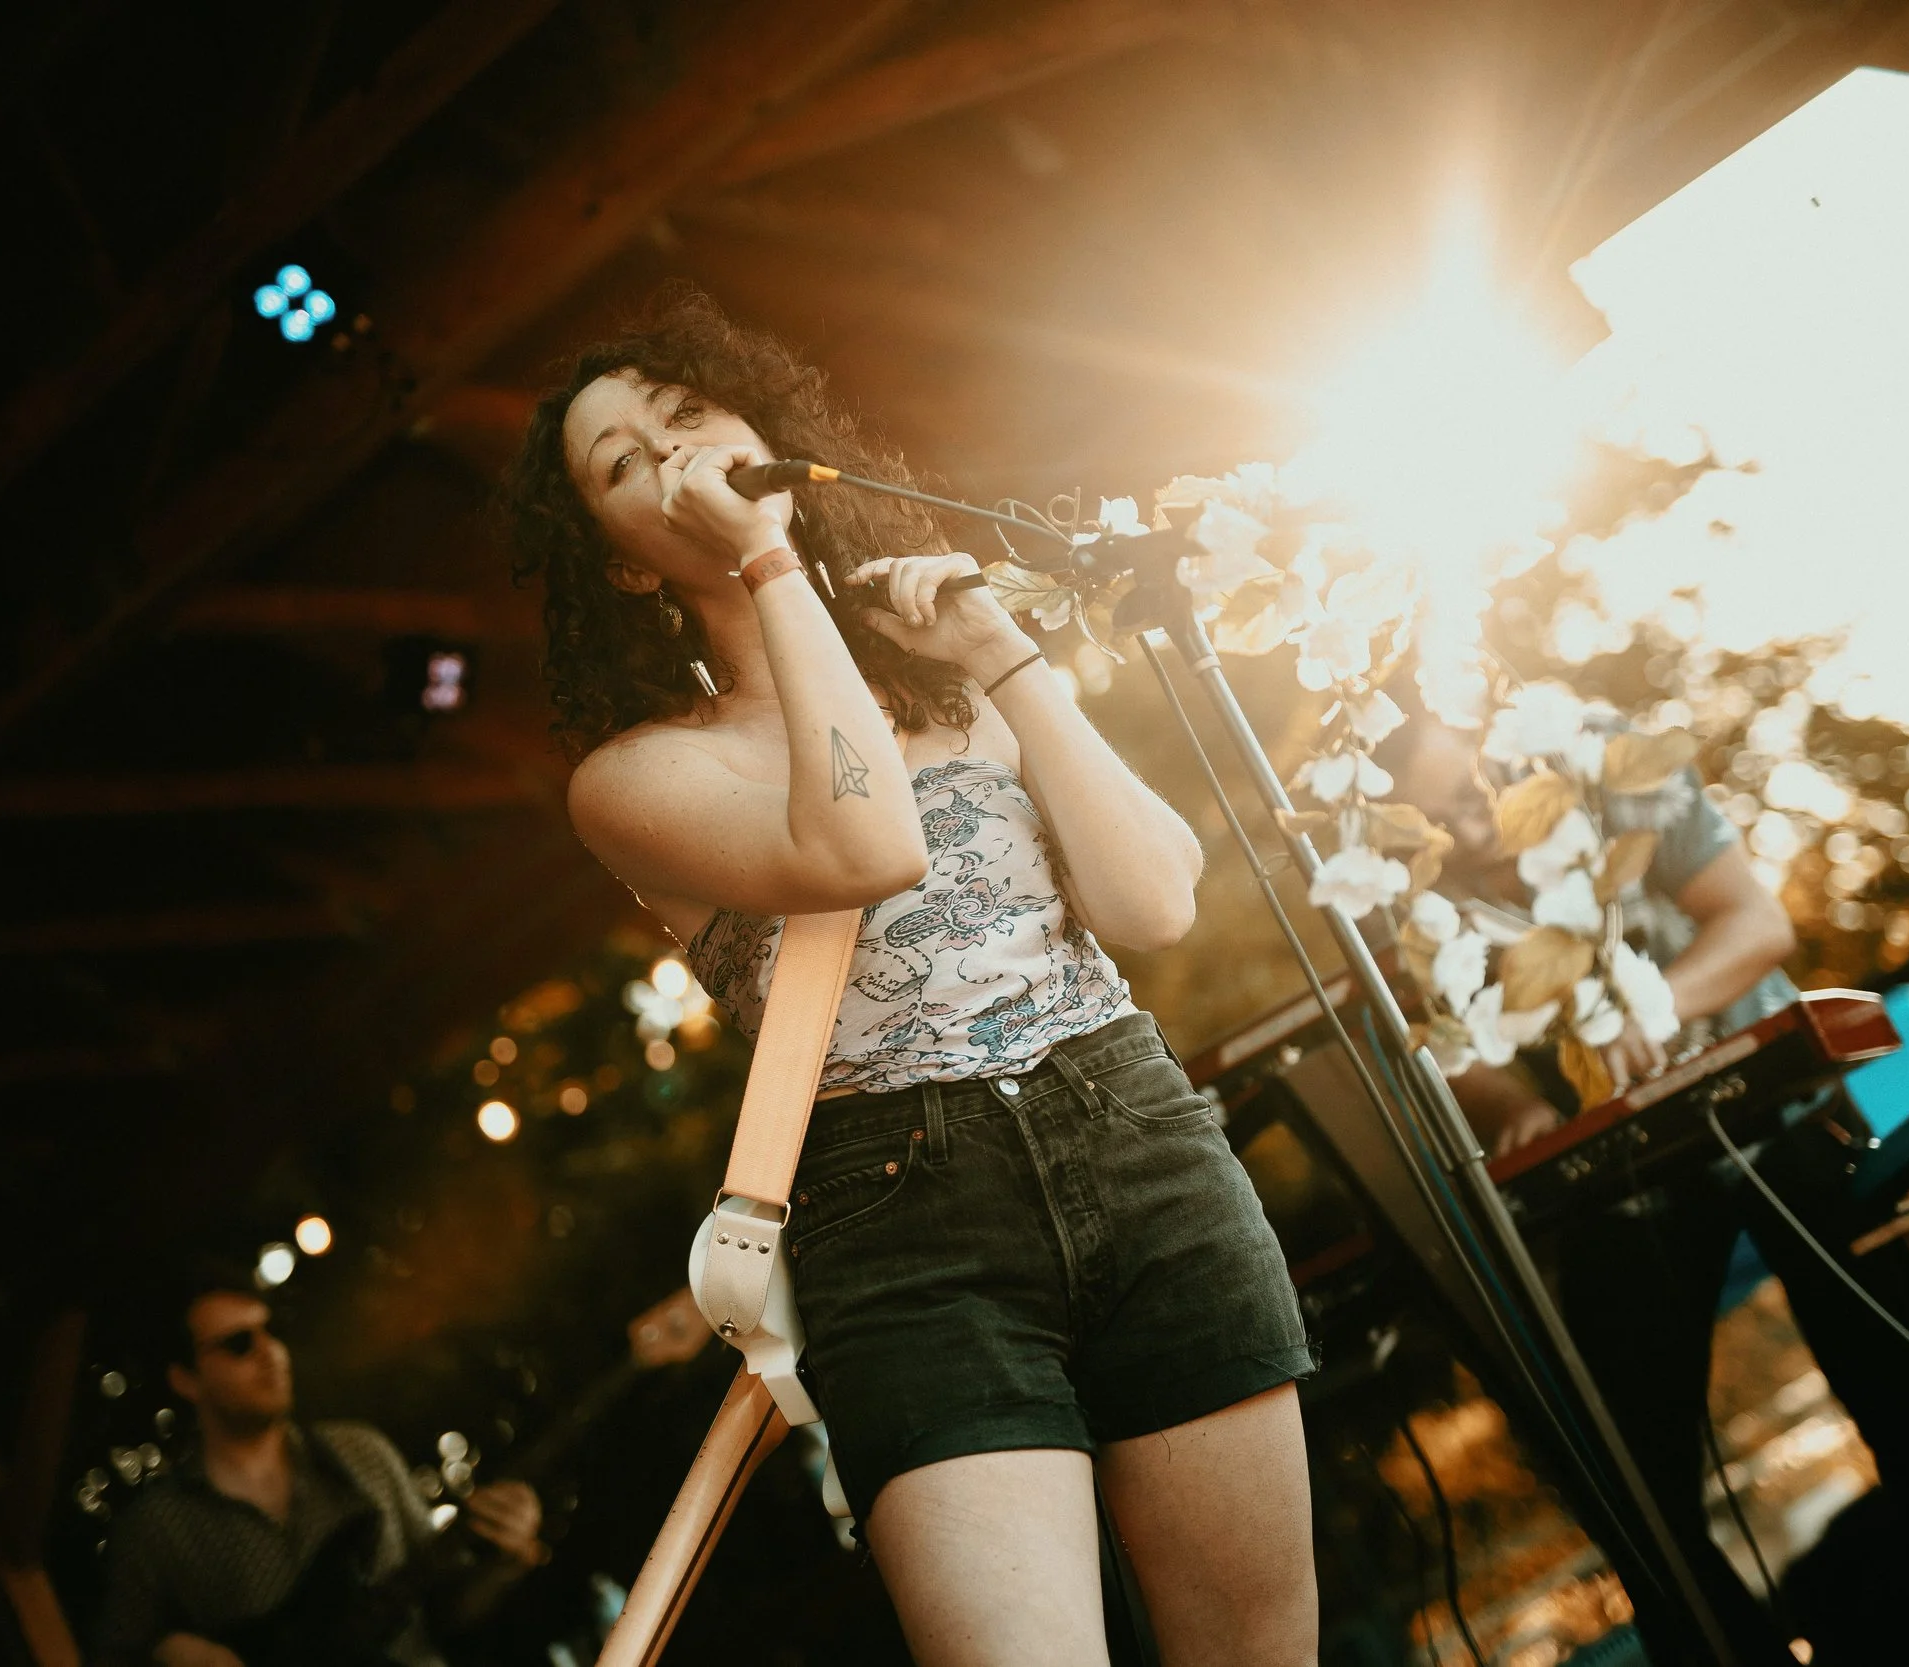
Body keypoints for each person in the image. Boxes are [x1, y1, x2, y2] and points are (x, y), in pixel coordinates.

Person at [504, 288, 1318, 1667]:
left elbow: (1154, 897)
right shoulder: (636, 778)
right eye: (625, 462)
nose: (676, 452)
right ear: (626, 565)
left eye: (688, 413)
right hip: (903, 1224)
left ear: (761, 428)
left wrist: (1003, 657)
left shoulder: (951, 682)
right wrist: (768, 564)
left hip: (1133, 1133)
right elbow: (866, 838)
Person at [1385, 712, 1909, 1666]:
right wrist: (1504, 1104)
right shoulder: (1401, 882)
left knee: (1907, 1401)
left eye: (1470, 789)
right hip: (1617, 1171)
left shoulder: (1607, 758)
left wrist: (1648, 1010)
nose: (1468, 822)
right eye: (1436, 817)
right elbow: (1435, 1039)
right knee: (1634, 1487)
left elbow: (1756, 920)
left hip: (1779, 1105)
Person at [96, 1277, 546, 1667]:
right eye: (239, 1343)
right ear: (185, 1379)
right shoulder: (156, 1530)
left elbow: (445, 1609)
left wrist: (503, 1566)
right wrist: (165, 1653)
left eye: (271, 1330)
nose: (270, 1352)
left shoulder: (361, 1452)